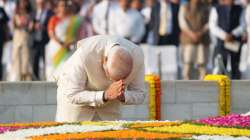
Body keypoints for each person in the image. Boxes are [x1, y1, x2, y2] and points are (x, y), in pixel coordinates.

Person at [55, 35, 145, 122]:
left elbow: (140, 94)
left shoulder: (138, 56)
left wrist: (123, 96)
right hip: (75, 110)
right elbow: (72, 93)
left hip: (109, 113)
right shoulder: (85, 52)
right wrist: (105, 95)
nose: (113, 83)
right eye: (110, 76)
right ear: (105, 60)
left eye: (121, 80)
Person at [46, 0, 81, 81]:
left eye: (66, 5)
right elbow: (51, 34)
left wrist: (69, 43)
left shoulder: (72, 20)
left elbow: (76, 35)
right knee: (54, 69)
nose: (64, 7)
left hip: (69, 48)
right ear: (58, 7)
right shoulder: (54, 19)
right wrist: (62, 44)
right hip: (56, 48)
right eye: (62, 5)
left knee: (67, 69)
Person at [209, 0, 244, 79]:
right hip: (221, 43)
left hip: (234, 42)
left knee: (235, 65)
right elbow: (212, 25)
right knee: (220, 65)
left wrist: (233, 34)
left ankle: (236, 86)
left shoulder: (240, 9)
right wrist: (224, 36)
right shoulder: (217, 8)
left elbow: (243, 25)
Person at [179, 0, 210, 80]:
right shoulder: (184, 7)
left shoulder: (206, 7)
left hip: (202, 39)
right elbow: (182, 22)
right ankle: (186, 81)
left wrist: (200, 33)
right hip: (188, 38)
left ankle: (203, 82)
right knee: (187, 61)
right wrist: (191, 34)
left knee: (202, 62)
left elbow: (209, 22)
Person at [30, 0, 54, 80]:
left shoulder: (50, 13)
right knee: (35, 61)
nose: (41, 4)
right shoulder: (33, 13)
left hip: (45, 41)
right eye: (39, 3)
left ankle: (47, 78)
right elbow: (29, 28)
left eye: (43, 2)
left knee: (46, 61)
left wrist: (44, 27)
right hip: (36, 41)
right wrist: (33, 26)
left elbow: (52, 26)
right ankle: (35, 79)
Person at [10, 0, 32, 81]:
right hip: (17, 37)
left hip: (25, 37)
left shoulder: (29, 15)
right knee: (16, 57)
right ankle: (17, 77)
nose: (23, 4)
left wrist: (29, 25)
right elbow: (13, 26)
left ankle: (25, 77)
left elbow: (30, 28)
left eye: (24, 2)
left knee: (26, 58)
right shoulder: (15, 15)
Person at [0, 7, 9, 80]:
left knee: (0, 59)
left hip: (1, 38)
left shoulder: (1, 9)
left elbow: (5, 25)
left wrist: (6, 37)